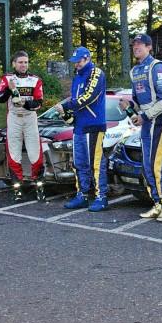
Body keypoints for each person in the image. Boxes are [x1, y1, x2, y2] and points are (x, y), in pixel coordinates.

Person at [119, 34, 162, 222]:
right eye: (134, 44)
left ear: (149, 47)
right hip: (147, 121)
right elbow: (138, 100)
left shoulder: (157, 67)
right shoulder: (135, 71)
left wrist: (144, 116)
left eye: (140, 44)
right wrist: (129, 106)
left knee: (157, 164)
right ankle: (158, 203)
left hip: (161, 120)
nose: (136, 47)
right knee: (146, 165)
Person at [55, 47, 108, 211]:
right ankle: (82, 195)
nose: (76, 64)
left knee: (96, 163)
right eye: (75, 61)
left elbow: (88, 96)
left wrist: (66, 105)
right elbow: (75, 99)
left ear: (87, 59)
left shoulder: (96, 73)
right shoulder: (77, 76)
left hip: (94, 125)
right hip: (79, 126)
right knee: (79, 163)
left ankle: (101, 197)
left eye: (79, 61)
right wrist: (65, 112)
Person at [0, 51, 45, 201]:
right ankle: (17, 188)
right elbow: (0, 98)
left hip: (30, 118)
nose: (23, 65)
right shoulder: (7, 78)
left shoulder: (35, 80)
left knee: (35, 153)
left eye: (25, 62)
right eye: (20, 62)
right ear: (14, 64)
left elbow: (39, 103)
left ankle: (39, 187)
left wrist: (25, 103)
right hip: (14, 118)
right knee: (14, 153)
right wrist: (8, 89)